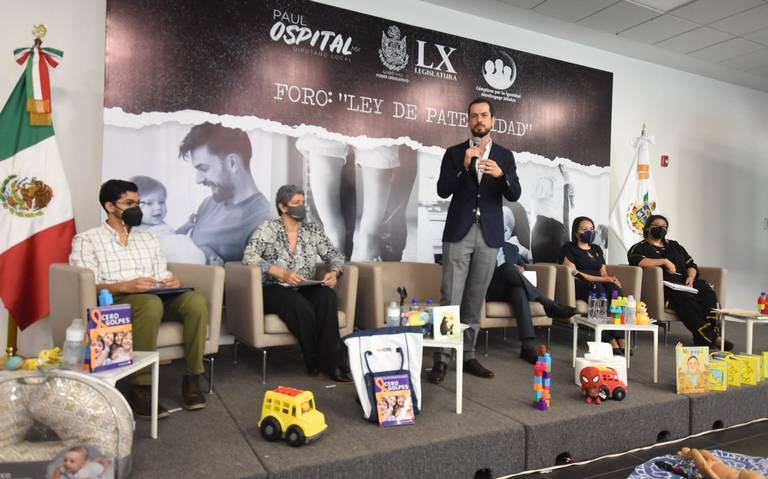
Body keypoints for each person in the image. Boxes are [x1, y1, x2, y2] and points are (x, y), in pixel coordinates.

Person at [70, 179, 210, 419]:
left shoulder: (149, 239)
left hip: (155, 296)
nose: (136, 208)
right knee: (149, 304)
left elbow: (160, 273)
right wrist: (125, 286)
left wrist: (171, 281)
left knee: (195, 301)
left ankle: (193, 377)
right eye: (129, 203)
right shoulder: (87, 239)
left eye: (138, 203)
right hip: (117, 300)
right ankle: (141, 387)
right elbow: (85, 283)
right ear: (110, 206)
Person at [429, 98, 522, 384]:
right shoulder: (454, 153)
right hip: (459, 231)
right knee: (450, 296)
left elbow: (514, 193)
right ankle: (442, 357)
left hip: (489, 235)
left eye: (483, 115)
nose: (478, 120)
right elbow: (443, 190)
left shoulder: (505, 156)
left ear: (493, 120)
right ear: (468, 120)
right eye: (473, 116)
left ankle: (467, 355)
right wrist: (464, 165)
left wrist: (501, 176)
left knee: (475, 297)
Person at [242, 184, 352, 382]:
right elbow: (249, 257)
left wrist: (334, 272)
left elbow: (335, 255)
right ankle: (316, 362)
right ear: (282, 207)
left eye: (303, 202)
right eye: (296, 203)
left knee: (327, 296)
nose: (301, 206)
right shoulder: (268, 228)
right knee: (298, 305)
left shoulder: (313, 230)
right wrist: (280, 273)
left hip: (303, 286)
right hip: (273, 288)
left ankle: (332, 363)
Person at [628, 214, 733, 350]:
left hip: (685, 283)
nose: (661, 229)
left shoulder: (675, 245)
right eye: (657, 226)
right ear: (648, 228)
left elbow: (691, 264)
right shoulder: (639, 247)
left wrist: (691, 277)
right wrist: (664, 261)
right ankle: (712, 338)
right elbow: (637, 261)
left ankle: (704, 336)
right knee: (686, 299)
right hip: (664, 288)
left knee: (707, 292)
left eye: (664, 227)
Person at [486, 208, 576, 364]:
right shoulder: (483, 246)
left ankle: (527, 346)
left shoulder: (512, 248)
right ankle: (547, 303)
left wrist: (522, 269)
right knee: (507, 268)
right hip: (490, 288)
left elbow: (524, 268)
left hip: (508, 289)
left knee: (518, 290)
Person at [178, 122, 273, 265]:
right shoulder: (207, 205)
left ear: (232, 163)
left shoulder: (266, 221)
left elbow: (255, 278)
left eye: (204, 169)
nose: (198, 180)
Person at [559, 216, 627, 355]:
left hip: (599, 281)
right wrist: (603, 279)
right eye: (584, 229)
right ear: (576, 232)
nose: (589, 232)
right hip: (581, 283)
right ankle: (609, 339)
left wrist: (611, 280)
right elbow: (574, 273)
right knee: (598, 291)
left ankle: (620, 336)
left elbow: (603, 272)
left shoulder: (596, 249)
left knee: (617, 292)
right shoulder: (568, 248)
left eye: (591, 229)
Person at [129, 175, 206, 264]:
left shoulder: (160, 225)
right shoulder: (136, 229)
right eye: (149, 203)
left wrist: (185, 227)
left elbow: (172, 236)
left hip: (180, 261)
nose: (158, 207)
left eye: (161, 202)